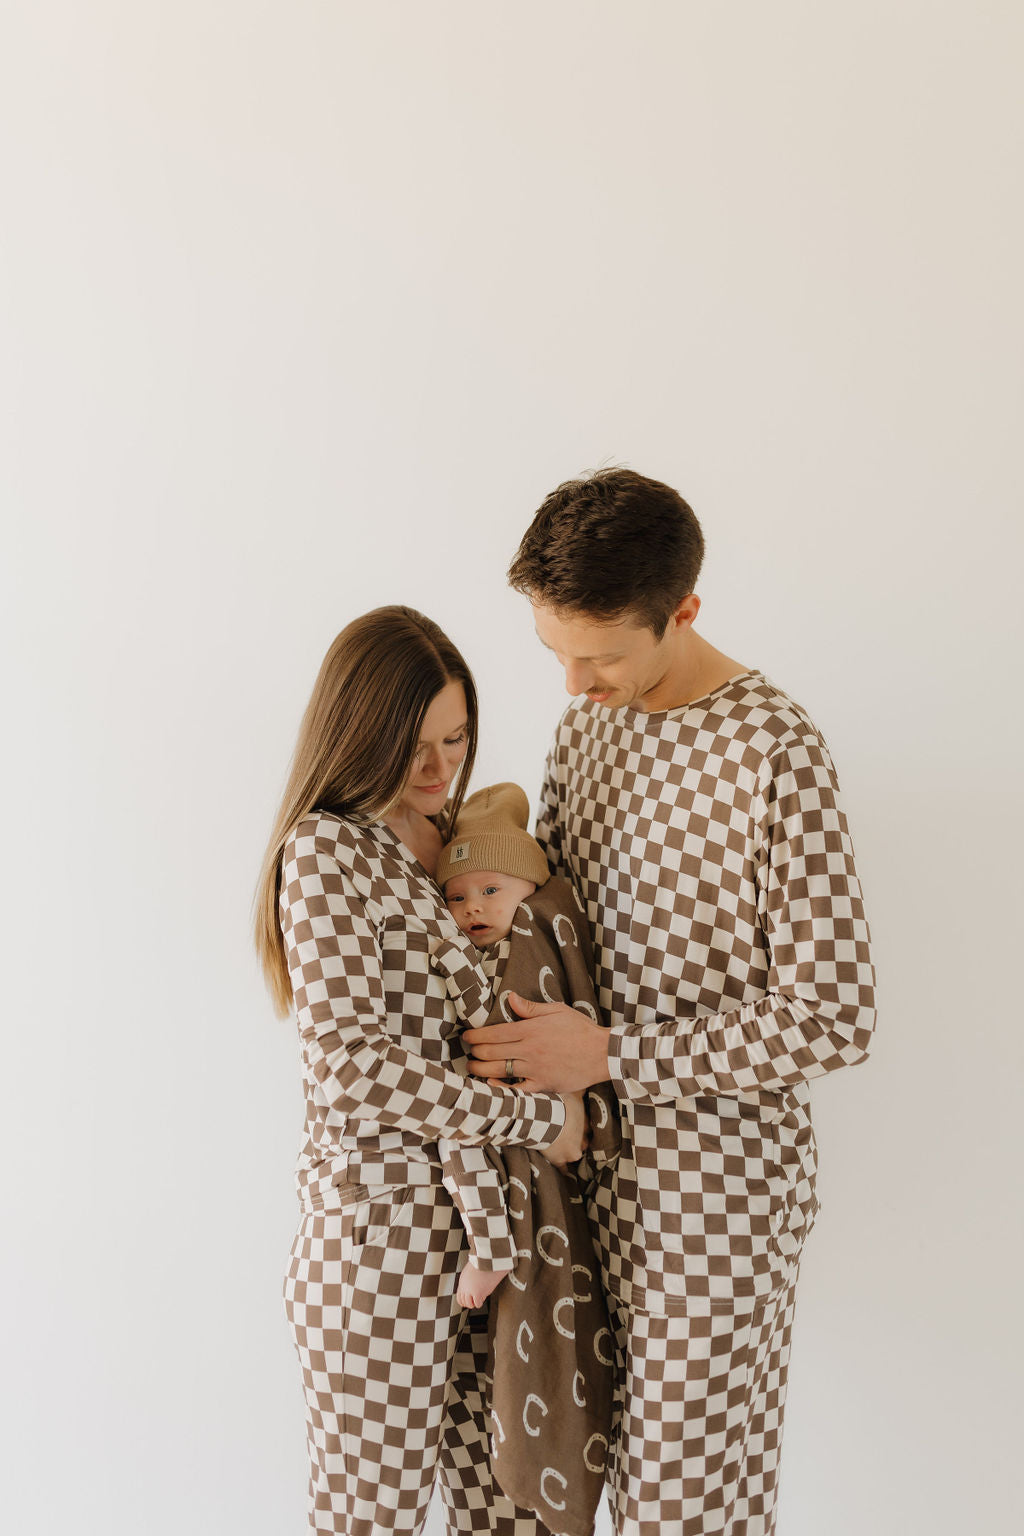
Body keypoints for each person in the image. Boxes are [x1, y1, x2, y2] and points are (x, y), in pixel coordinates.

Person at [463, 470, 877, 1536]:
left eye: (597, 657)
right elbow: (552, 931)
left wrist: (609, 1056)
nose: (571, 684)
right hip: (580, 1176)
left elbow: (834, 1014)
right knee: (564, 1485)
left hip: (717, 1196)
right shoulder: (585, 734)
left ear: (683, 610)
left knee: (685, 1504)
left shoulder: (773, 751)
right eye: (553, 653)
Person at [253, 605, 585, 1536]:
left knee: (512, 1515)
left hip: (500, 1244)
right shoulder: (327, 852)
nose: (441, 769)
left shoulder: (467, 849)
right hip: (380, 1245)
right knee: (372, 1520)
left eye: (457, 738)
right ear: (359, 734)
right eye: (415, 746)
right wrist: (538, 1120)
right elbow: (353, 1070)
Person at [433, 782, 620, 1536]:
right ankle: (491, 1245)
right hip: (480, 1155)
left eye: (491, 888)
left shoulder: (538, 951)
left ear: (530, 890)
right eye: (457, 896)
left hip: (530, 1183)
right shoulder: (463, 973)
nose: (473, 906)